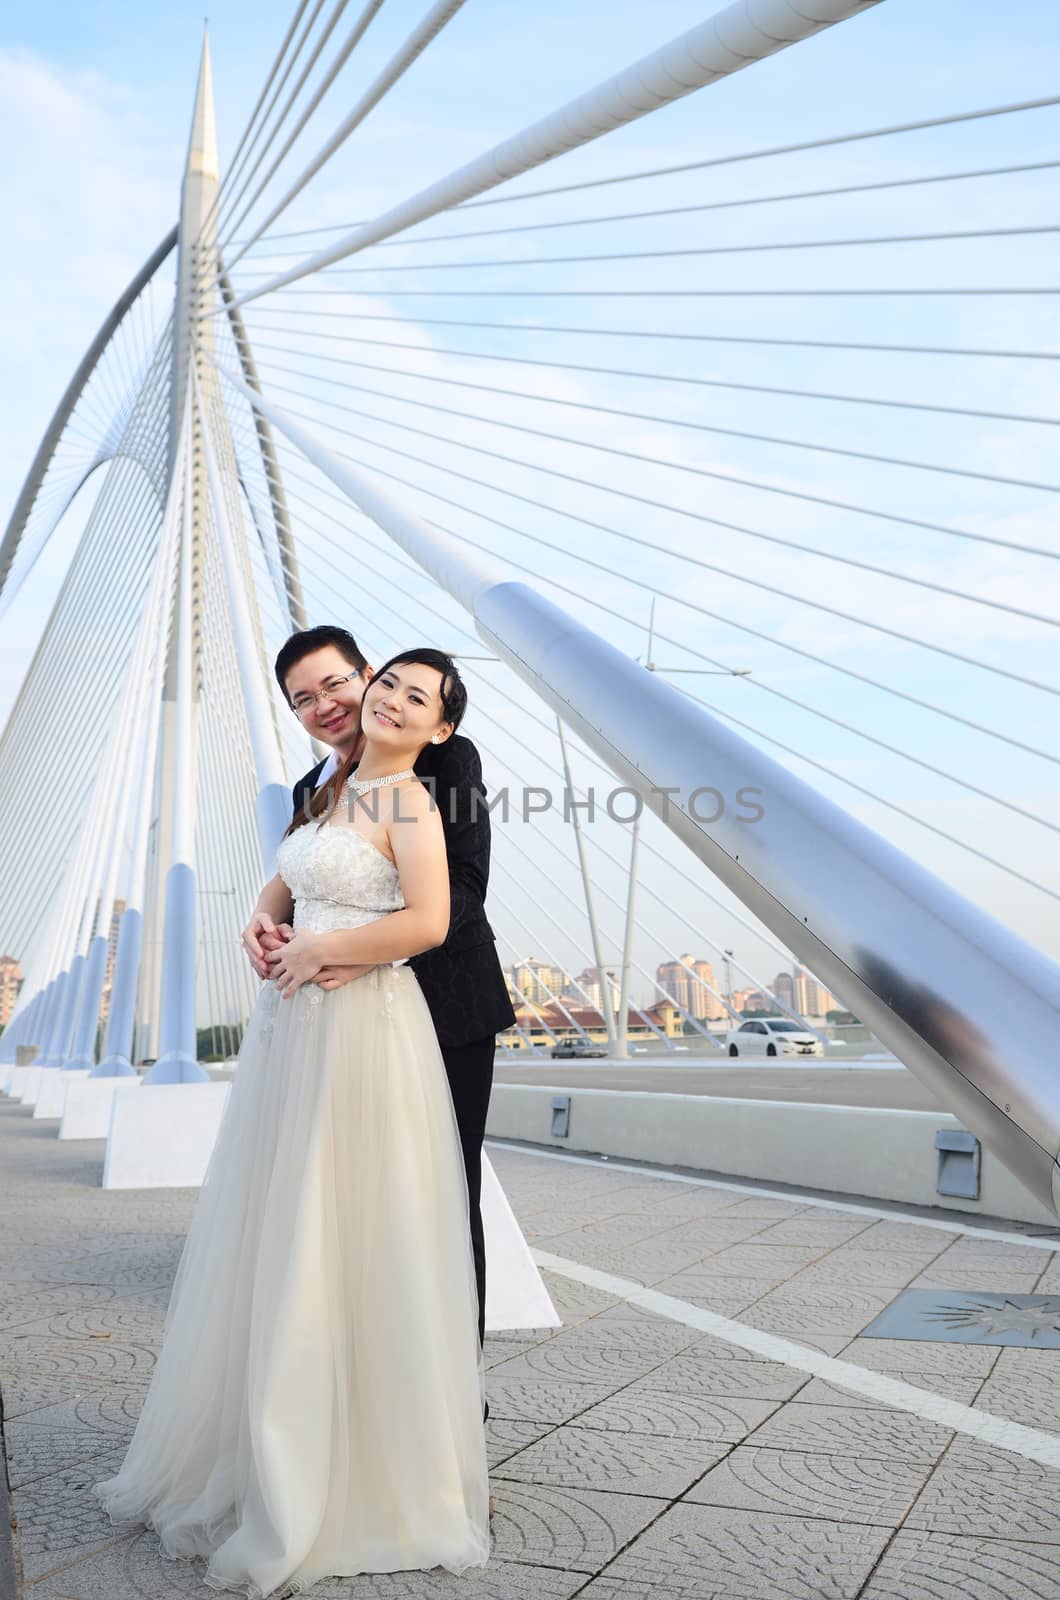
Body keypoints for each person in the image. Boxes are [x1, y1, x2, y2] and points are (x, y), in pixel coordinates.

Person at [94, 652, 491, 1595]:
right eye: (384, 685)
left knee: (369, 1221)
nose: (374, 701)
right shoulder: (330, 783)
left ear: (435, 725)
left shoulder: (422, 792)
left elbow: (439, 916)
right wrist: (267, 924)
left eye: (401, 692)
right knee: (283, 1218)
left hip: (369, 1023)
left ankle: (388, 1449)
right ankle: (279, 1433)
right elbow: (296, 873)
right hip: (293, 1026)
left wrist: (338, 950)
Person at [243, 626, 517, 1345]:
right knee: (330, 1194)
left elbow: (464, 889)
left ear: (367, 675)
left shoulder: (443, 759)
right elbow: (300, 877)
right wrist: (262, 919)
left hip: (445, 1004)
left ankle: (456, 1378)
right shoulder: (313, 786)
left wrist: (361, 953)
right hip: (330, 1019)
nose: (325, 705)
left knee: (438, 1194)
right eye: (303, 699)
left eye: (336, 683)